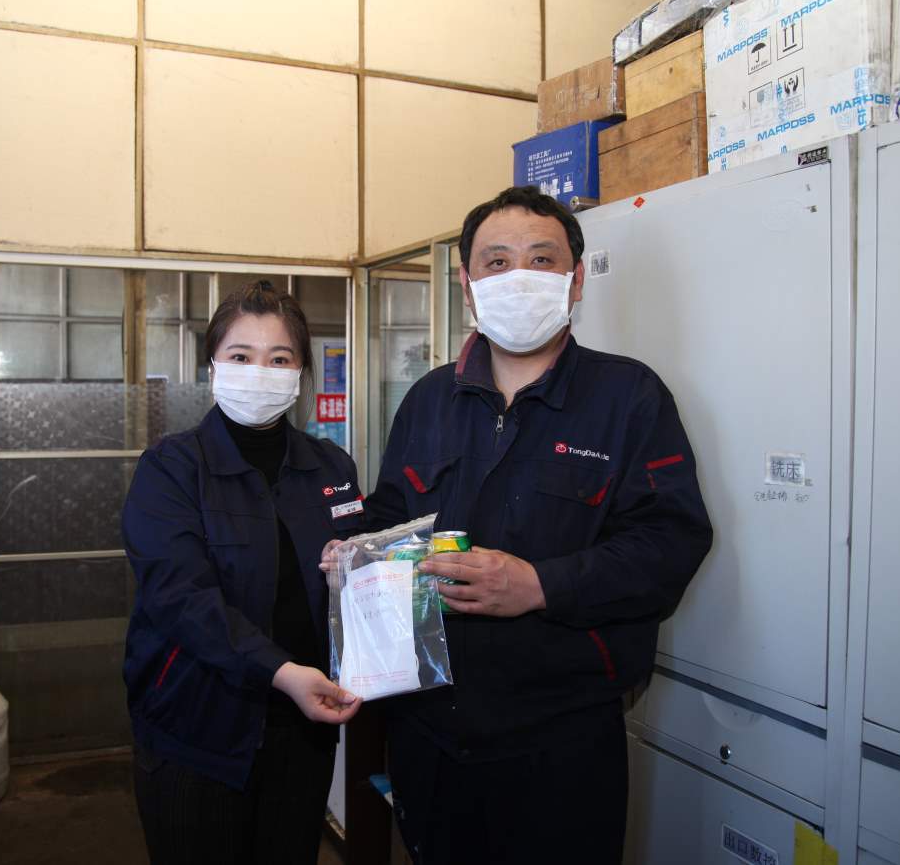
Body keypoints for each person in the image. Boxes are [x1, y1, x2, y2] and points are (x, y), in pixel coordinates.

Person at [343, 186, 713, 864]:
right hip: (430, 730)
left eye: (542, 260)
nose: (519, 277)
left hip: (563, 738)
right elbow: (391, 518)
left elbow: (671, 542)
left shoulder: (629, 397)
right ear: (467, 284)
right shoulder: (428, 399)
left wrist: (541, 585)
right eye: (497, 262)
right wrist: (357, 556)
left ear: (576, 280)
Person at [122, 280, 364, 865]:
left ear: (301, 371)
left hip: (303, 730)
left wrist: (353, 567)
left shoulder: (330, 467)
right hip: (197, 731)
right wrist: (281, 672)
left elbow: (359, 571)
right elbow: (180, 597)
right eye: (240, 356)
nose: (260, 372)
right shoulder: (171, 469)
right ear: (212, 366)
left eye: (279, 359)